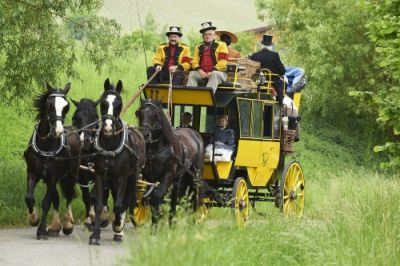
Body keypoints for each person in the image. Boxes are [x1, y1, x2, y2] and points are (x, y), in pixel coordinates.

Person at [186, 22, 229, 93]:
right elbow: (195, 62)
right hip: (202, 73)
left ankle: (207, 97)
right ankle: (190, 96)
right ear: (203, 36)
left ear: (214, 35)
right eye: (205, 34)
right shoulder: (198, 47)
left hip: (219, 73)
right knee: (192, 74)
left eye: (210, 34)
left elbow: (223, 62)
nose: (207, 36)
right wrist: (200, 71)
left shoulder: (221, 45)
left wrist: (211, 72)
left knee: (214, 74)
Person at [250, 34, 285, 104]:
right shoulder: (275, 55)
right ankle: (280, 103)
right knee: (283, 84)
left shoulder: (254, 55)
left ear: (262, 45)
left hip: (258, 80)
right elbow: (282, 71)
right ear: (271, 46)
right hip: (271, 80)